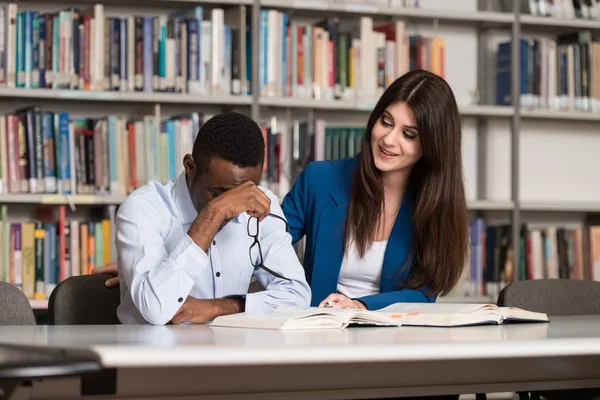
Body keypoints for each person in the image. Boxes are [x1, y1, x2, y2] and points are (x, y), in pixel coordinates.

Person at [97, 68, 468, 311]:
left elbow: (425, 292)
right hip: (319, 334)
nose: (389, 139)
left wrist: (362, 307)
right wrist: (156, 262)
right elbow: (255, 235)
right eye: (386, 122)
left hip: (394, 334)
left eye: (409, 134)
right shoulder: (323, 180)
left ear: (432, 144)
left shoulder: (435, 205)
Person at [112, 112, 311, 325]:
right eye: (217, 194)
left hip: (229, 351)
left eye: (241, 193)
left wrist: (217, 308)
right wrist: (214, 213)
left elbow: (297, 295)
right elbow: (156, 309)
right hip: (154, 354)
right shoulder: (143, 208)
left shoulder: (261, 203)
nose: (232, 209)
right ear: (190, 166)